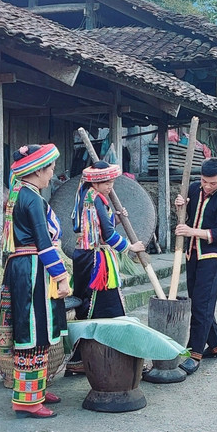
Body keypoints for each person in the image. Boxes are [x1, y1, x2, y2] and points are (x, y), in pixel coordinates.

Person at [0, 144, 71, 419]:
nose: (51, 175)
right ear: (37, 170)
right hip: (33, 270)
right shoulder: (31, 199)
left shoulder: (21, 195)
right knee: (33, 332)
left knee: (35, 331)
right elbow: (43, 242)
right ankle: (28, 401)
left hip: (23, 267)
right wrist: (61, 277)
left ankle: (35, 389)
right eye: (50, 170)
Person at [64, 161, 145, 376]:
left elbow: (95, 227)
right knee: (108, 307)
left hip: (82, 257)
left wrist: (114, 219)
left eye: (111, 181)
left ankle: (80, 358)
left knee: (85, 306)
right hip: (96, 260)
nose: (110, 185)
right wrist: (130, 246)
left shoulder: (85, 195)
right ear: (97, 181)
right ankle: (120, 355)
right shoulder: (96, 199)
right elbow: (107, 236)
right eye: (107, 182)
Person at [174, 157, 217, 375]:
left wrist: (191, 232)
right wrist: (180, 208)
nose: (207, 186)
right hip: (192, 255)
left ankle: (195, 354)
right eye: (204, 181)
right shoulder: (193, 188)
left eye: (213, 183)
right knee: (200, 304)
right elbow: (186, 218)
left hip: (212, 258)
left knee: (201, 306)